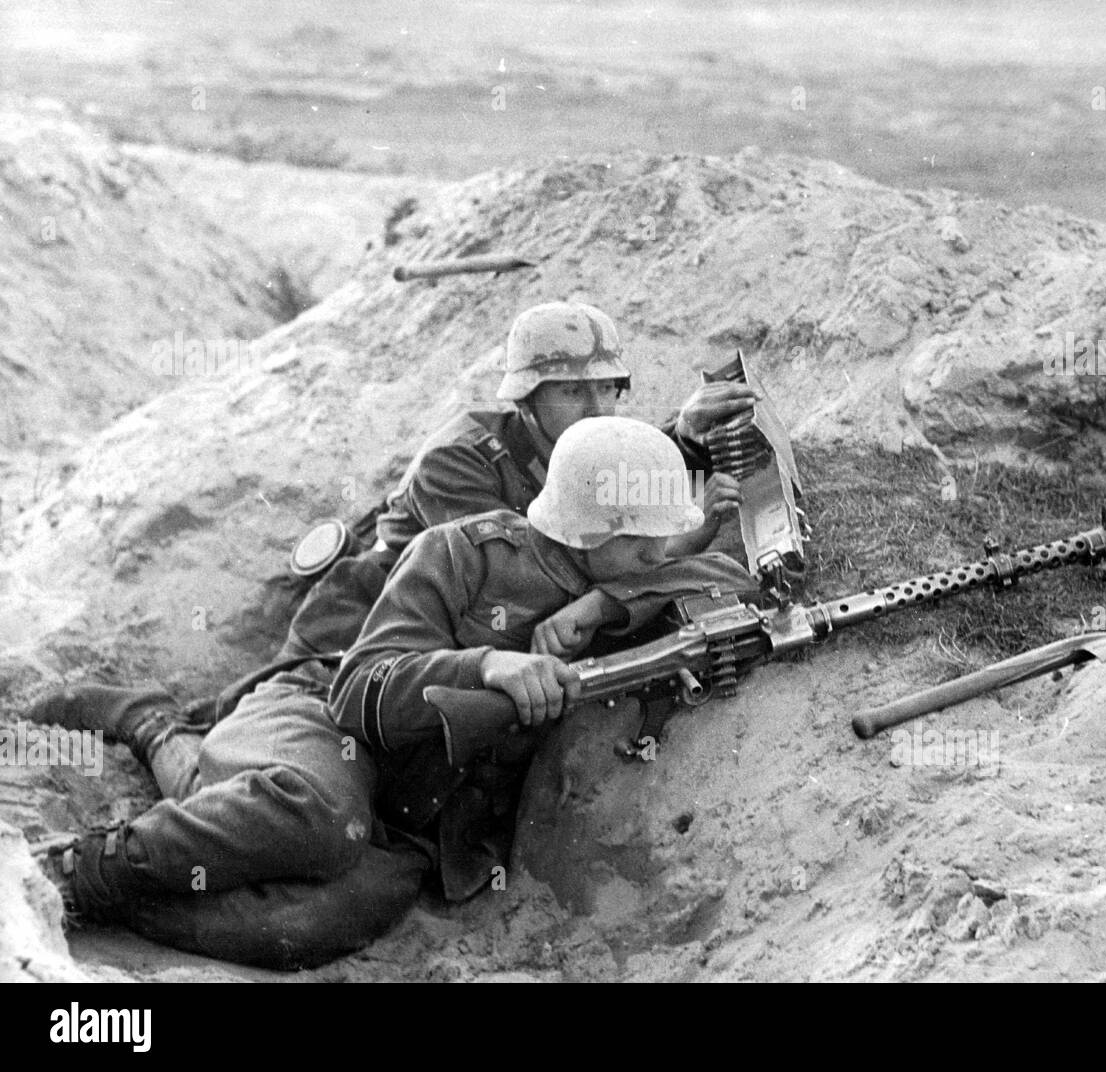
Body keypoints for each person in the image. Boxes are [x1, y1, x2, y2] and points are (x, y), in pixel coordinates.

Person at [35, 418, 757, 969]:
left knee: (318, 920)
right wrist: (484, 667)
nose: (660, 554)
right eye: (643, 542)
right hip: (317, 717)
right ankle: (74, 869)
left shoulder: (619, 578)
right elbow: (360, 686)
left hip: (412, 816)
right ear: (592, 524)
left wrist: (602, 607)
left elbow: (722, 578)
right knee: (317, 815)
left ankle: (159, 793)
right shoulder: (461, 552)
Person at [27, 301, 756, 746]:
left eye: (610, 392)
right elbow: (531, 582)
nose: (599, 413)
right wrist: (624, 584)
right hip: (367, 627)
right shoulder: (460, 463)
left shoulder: (585, 447)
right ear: (528, 398)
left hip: (453, 641)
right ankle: (144, 719)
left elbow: (598, 528)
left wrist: (678, 443)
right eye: (574, 392)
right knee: (244, 738)